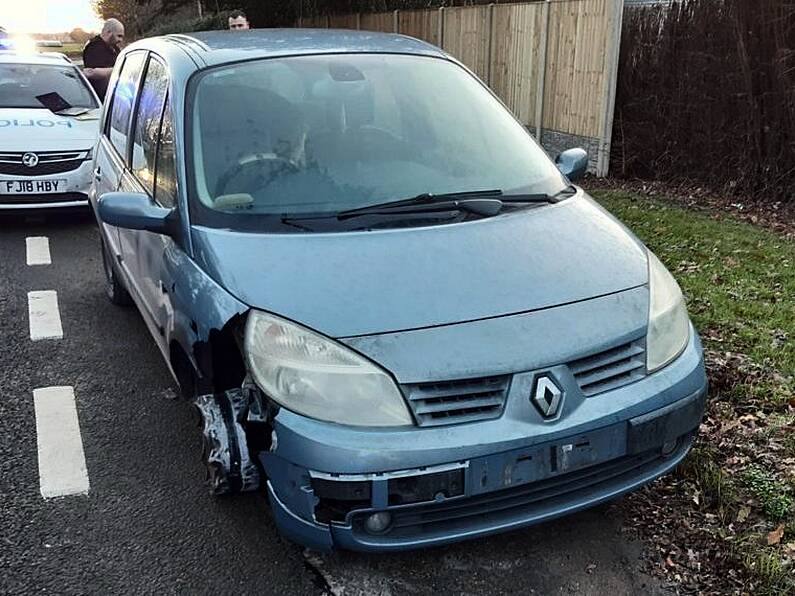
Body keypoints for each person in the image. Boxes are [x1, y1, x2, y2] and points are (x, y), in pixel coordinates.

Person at [82, 19, 124, 101]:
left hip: (114, 94)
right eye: (119, 36)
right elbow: (92, 72)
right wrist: (120, 68)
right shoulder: (94, 47)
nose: (120, 40)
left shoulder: (114, 47)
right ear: (109, 32)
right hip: (99, 97)